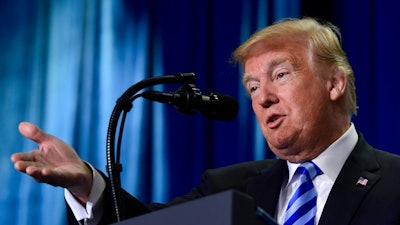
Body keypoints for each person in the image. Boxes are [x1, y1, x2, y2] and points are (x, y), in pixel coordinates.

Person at [11, 17, 400, 225]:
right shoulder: (229, 187)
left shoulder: (395, 183)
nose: (262, 97)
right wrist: (87, 185)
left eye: (281, 75)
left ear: (334, 83)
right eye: (251, 86)